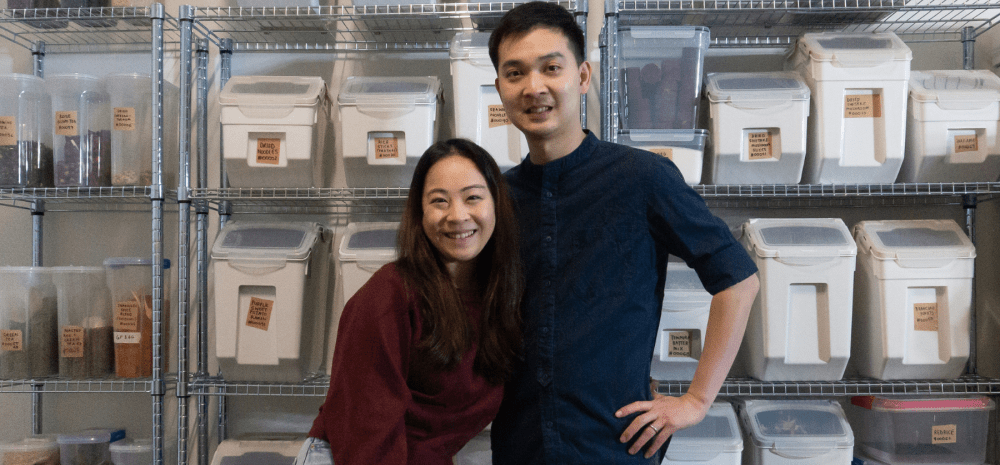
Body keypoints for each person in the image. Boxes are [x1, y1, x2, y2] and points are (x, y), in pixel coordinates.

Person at [487, 2, 761, 463]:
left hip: (615, 446)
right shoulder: (498, 199)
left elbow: (738, 278)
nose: (534, 87)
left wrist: (695, 401)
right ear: (499, 89)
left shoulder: (643, 178)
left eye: (551, 67)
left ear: (582, 77)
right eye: (515, 74)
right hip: (521, 445)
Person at [301, 138, 524, 465]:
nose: (457, 215)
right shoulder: (390, 295)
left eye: (473, 197)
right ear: (419, 213)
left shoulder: (498, 295)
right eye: (439, 201)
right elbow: (365, 436)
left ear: (496, 204)